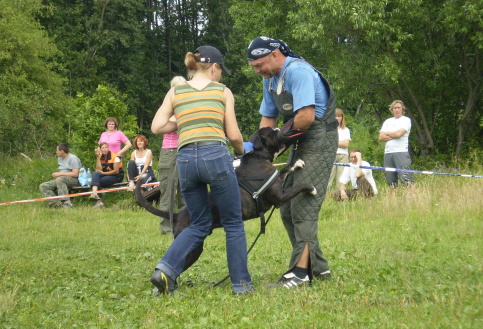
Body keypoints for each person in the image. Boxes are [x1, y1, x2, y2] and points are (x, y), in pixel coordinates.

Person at [149, 45, 253, 295]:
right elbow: (234, 134)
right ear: (214, 68)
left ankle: (165, 270)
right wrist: (241, 151)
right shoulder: (222, 91)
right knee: (233, 223)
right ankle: (242, 286)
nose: (221, 76)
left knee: (199, 223)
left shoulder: (176, 91)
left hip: (185, 160)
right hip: (215, 156)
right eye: (221, 71)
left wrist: (183, 120)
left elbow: (156, 126)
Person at [247, 36, 338, 288]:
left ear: (275, 55)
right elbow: (267, 121)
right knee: (286, 206)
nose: (257, 71)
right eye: (253, 66)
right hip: (299, 138)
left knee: (303, 204)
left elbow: (307, 117)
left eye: (259, 65)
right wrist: (258, 153)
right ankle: (317, 268)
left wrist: (277, 139)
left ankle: (299, 273)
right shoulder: (271, 80)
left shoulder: (298, 72)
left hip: (319, 136)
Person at [158, 76, 186, 235]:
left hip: (185, 150)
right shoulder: (169, 107)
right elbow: (161, 125)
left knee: (186, 192)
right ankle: (166, 228)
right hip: (170, 152)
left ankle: (184, 226)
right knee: (168, 192)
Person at [378, 100, 414, 187]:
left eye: (398, 108)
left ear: (402, 109)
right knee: (390, 180)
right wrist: (395, 134)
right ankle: (392, 199)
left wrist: (388, 133)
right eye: (395, 108)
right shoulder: (387, 121)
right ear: (392, 110)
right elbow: (381, 137)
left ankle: (413, 198)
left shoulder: (406, 120)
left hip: (401, 152)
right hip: (388, 153)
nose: (397, 110)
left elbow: (399, 134)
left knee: (406, 178)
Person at [39, 143, 82, 208]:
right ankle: (55, 203)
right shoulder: (60, 159)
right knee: (43, 186)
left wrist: (60, 174)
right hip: (61, 179)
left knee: (60, 179)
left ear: (62, 151)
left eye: (57, 150)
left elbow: (75, 174)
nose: (56, 152)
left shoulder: (73, 159)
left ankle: (66, 203)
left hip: (74, 180)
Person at [89, 142, 125, 208]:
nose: (105, 149)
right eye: (103, 148)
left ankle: (98, 202)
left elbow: (116, 171)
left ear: (108, 148)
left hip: (116, 176)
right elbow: (98, 169)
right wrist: (98, 158)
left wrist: (103, 173)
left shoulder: (115, 156)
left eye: (106, 147)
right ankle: (94, 193)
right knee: (95, 174)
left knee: (97, 181)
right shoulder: (100, 156)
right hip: (106, 175)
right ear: (100, 149)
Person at [327, 108, 351, 189]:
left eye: (339, 116)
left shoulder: (346, 130)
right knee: (328, 178)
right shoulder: (328, 129)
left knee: (341, 179)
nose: (337, 118)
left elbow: (346, 144)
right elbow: (326, 143)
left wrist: (334, 142)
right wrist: (340, 143)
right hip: (331, 154)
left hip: (343, 156)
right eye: (335, 116)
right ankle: (326, 196)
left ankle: (340, 196)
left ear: (342, 117)